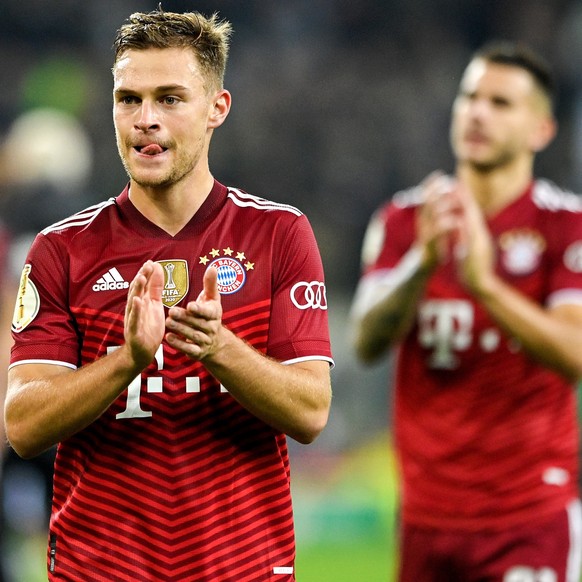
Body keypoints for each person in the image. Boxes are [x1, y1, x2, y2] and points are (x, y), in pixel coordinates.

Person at [4, 8, 333, 582]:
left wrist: (220, 348)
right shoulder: (62, 250)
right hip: (99, 570)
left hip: (243, 569)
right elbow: (24, 425)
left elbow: (311, 411)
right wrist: (125, 361)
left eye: (170, 99)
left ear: (216, 109)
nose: (145, 119)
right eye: (128, 98)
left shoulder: (278, 234)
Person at [351, 41, 582, 582]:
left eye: (501, 103)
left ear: (540, 131)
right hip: (425, 519)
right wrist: (421, 262)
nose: (477, 111)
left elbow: (576, 353)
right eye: (469, 96)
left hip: (528, 515)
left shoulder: (566, 225)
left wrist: (486, 285)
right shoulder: (406, 220)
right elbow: (364, 341)